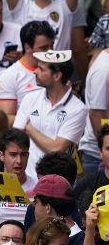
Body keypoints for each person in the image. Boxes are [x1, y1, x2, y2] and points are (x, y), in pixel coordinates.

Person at [12, 50, 86, 180]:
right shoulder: (30, 97)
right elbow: (16, 137)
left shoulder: (78, 109)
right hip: (24, 178)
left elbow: (56, 149)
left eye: (41, 69)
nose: (35, 72)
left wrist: (30, 129)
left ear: (57, 76)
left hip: (55, 181)